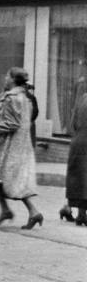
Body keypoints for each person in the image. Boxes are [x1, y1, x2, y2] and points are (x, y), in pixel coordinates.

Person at [0, 67, 42, 229]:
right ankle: (23, 211)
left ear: (13, 79)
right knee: (13, 181)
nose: (5, 78)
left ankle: (11, 210)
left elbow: (13, 123)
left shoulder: (11, 98)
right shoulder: (26, 97)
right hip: (22, 145)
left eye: (7, 76)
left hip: (7, 146)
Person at [60, 77, 87, 226]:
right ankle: (81, 214)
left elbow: (72, 125)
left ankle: (73, 210)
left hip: (77, 142)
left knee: (79, 179)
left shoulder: (81, 100)